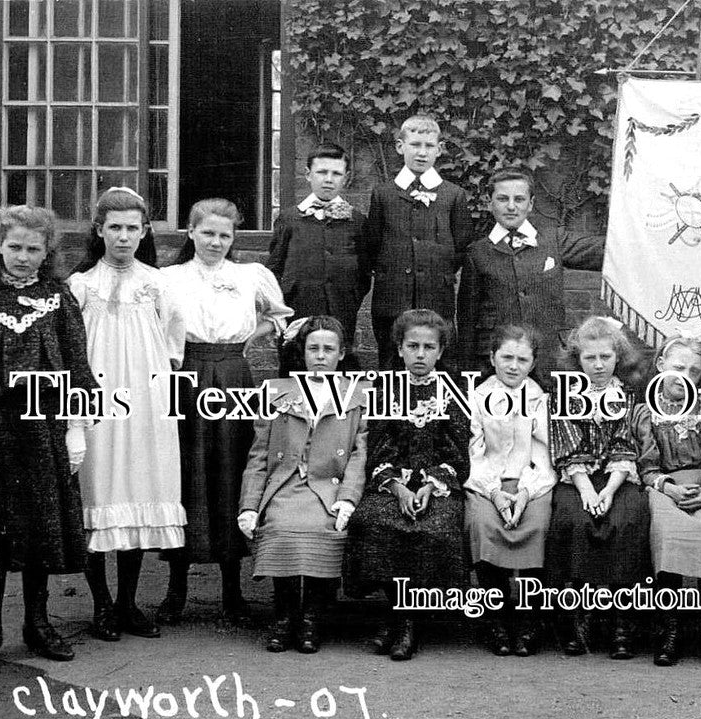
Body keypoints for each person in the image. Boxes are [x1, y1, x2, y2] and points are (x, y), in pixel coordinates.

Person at [0, 205, 97, 667]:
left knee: (38, 526)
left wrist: (75, 428)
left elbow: (76, 367)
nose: (23, 257)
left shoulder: (60, 300)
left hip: (44, 428)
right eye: (14, 248)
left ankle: (38, 621)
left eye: (33, 249)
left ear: (47, 252)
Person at [159, 198, 292, 625]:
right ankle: (176, 586)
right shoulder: (167, 279)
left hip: (235, 372)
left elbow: (281, 317)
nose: (216, 242)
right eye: (208, 233)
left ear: (233, 239)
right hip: (186, 376)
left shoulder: (249, 275)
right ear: (191, 233)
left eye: (224, 235)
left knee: (232, 470)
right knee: (187, 471)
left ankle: (232, 590)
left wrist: (248, 341)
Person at [69, 187, 186, 642]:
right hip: (95, 397)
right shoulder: (81, 286)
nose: (122, 236)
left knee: (138, 487)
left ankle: (127, 603)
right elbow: (70, 347)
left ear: (144, 232)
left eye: (131, 228)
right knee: (98, 490)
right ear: (99, 231)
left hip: (147, 399)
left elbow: (173, 347)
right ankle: (101, 604)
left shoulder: (159, 283)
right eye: (113, 227)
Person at [346, 309, 471, 660]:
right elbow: (378, 447)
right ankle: (398, 612)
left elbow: (457, 448)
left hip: (439, 483)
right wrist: (396, 486)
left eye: (428, 347)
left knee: (435, 526)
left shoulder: (454, 391)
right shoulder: (385, 390)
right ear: (399, 348)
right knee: (373, 521)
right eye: (412, 346)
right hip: (393, 482)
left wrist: (432, 484)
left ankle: (407, 621)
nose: (420, 354)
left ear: (440, 352)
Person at [238, 316, 368, 654]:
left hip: (329, 488)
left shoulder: (356, 396)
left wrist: (349, 498)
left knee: (322, 526)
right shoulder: (279, 392)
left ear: (341, 355)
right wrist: (249, 506)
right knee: (280, 525)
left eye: (329, 349)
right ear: (303, 353)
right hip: (285, 486)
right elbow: (259, 456)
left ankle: (312, 616)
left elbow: (358, 454)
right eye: (314, 348)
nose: (321, 356)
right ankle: (283, 615)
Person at [546, 316, 650, 659]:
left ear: (616, 356)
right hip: (576, 476)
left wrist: (608, 490)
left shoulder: (627, 394)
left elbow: (625, 445)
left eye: (605, 357)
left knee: (628, 518)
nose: (599, 364)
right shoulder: (564, 396)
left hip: (618, 475)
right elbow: (566, 445)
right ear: (579, 360)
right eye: (590, 358)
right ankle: (577, 617)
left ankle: (623, 620)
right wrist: (588, 490)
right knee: (573, 520)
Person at [456, 168, 603, 384]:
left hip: (548, 358)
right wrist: (468, 374)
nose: (511, 206)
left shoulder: (552, 240)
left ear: (531, 204)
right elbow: (467, 319)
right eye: (503, 199)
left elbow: (602, 251)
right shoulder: (478, 253)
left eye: (519, 199)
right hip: (498, 363)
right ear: (490, 202)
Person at [635, 337, 701, 667]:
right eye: (677, 367)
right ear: (661, 366)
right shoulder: (646, 412)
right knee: (666, 530)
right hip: (666, 488)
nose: (684, 376)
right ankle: (670, 629)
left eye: (693, 370)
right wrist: (670, 488)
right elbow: (647, 466)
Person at [464, 325, 555, 657]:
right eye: (506, 357)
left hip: (532, 483)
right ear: (492, 358)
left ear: (532, 363)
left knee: (537, 526)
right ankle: (497, 616)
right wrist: (495, 493)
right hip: (488, 483)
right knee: (483, 524)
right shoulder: (477, 398)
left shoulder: (541, 401)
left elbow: (545, 454)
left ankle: (529, 619)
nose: (513, 366)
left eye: (522, 359)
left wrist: (525, 493)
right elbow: (474, 452)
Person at [364, 114, 477, 366]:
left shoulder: (452, 195)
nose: (422, 153)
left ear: (439, 150)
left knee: (443, 367)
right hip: (392, 299)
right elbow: (372, 246)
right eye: (415, 145)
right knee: (391, 365)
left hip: (437, 299)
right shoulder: (383, 194)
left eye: (429, 146)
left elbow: (461, 247)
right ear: (400, 147)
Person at [266, 142, 369, 375]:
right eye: (322, 172)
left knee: (338, 376)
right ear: (308, 174)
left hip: (340, 312)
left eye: (336, 173)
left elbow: (364, 274)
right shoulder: (290, 219)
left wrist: (348, 297)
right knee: (295, 372)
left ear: (346, 178)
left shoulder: (357, 221)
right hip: (298, 312)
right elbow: (274, 269)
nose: (328, 179)